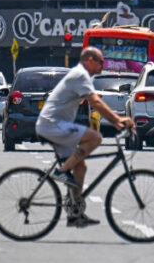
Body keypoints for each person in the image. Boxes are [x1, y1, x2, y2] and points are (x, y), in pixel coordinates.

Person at [35, 47, 133, 228]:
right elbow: (95, 102)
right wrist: (117, 120)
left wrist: (116, 121)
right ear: (89, 60)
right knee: (95, 138)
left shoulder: (82, 76)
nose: (103, 66)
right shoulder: (80, 75)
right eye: (100, 62)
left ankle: (75, 214)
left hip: (54, 124)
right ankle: (61, 172)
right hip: (52, 124)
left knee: (80, 167)